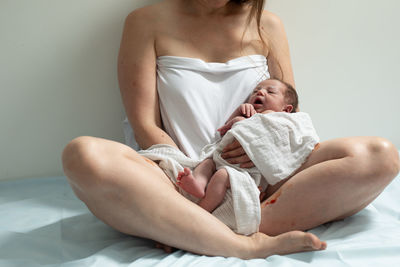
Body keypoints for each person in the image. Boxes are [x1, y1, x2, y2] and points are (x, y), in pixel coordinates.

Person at [61, 0, 400, 259]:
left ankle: (189, 228)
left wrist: (257, 153)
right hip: (179, 179)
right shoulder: (145, 21)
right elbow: (146, 125)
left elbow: (288, 115)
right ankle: (244, 244)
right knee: (82, 155)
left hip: (264, 180)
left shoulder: (266, 24)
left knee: (380, 156)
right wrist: (196, 178)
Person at [176, 78, 299, 213]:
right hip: (222, 159)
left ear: (286, 110)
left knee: (221, 177)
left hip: (247, 172)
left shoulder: (279, 121)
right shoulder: (248, 116)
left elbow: (279, 147)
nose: (260, 93)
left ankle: (204, 209)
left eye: (271, 92)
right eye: (256, 91)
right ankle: (198, 183)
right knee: (206, 163)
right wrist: (238, 113)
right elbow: (224, 131)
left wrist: (240, 120)